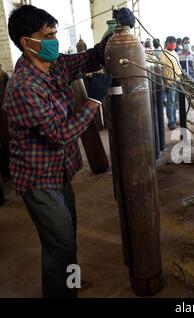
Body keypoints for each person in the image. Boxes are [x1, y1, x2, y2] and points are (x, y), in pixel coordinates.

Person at [2, 5, 134, 298]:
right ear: (27, 42)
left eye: (55, 34)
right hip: (39, 180)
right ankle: (60, 294)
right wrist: (94, 101)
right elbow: (59, 134)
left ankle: (69, 285)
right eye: (48, 35)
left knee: (67, 239)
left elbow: (90, 57)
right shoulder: (23, 86)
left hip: (59, 171)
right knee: (59, 245)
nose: (54, 41)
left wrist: (113, 32)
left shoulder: (56, 65)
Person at [159, 36, 182, 130]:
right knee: (170, 102)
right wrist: (165, 82)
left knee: (176, 102)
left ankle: (174, 119)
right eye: (172, 42)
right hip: (170, 81)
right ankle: (171, 122)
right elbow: (162, 68)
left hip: (178, 80)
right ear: (167, 43)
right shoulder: (163, 54)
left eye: (175, 42)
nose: (174, 44)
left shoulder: (174, 52)